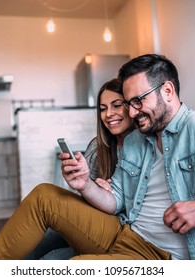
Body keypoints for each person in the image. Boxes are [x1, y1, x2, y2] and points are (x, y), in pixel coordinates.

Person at [0, 54, 195, 260]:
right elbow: (117, 200)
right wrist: (85, 184)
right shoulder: (137, 139)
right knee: (45, 194)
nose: (131, 112)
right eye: (129, 103)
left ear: (167, 91)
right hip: (125, 231)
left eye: (138, 101)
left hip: (163, 255)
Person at [15, 77, 135, 260]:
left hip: (118, 232)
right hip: (93, 220)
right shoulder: (98, 147)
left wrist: (113, 195)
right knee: (34, 244)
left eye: (116, 105)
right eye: (103, 109)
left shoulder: (144, 147)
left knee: (52, 258)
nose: (109, 114)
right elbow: (84, 199)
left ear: (131, 107)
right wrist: (90, 187)